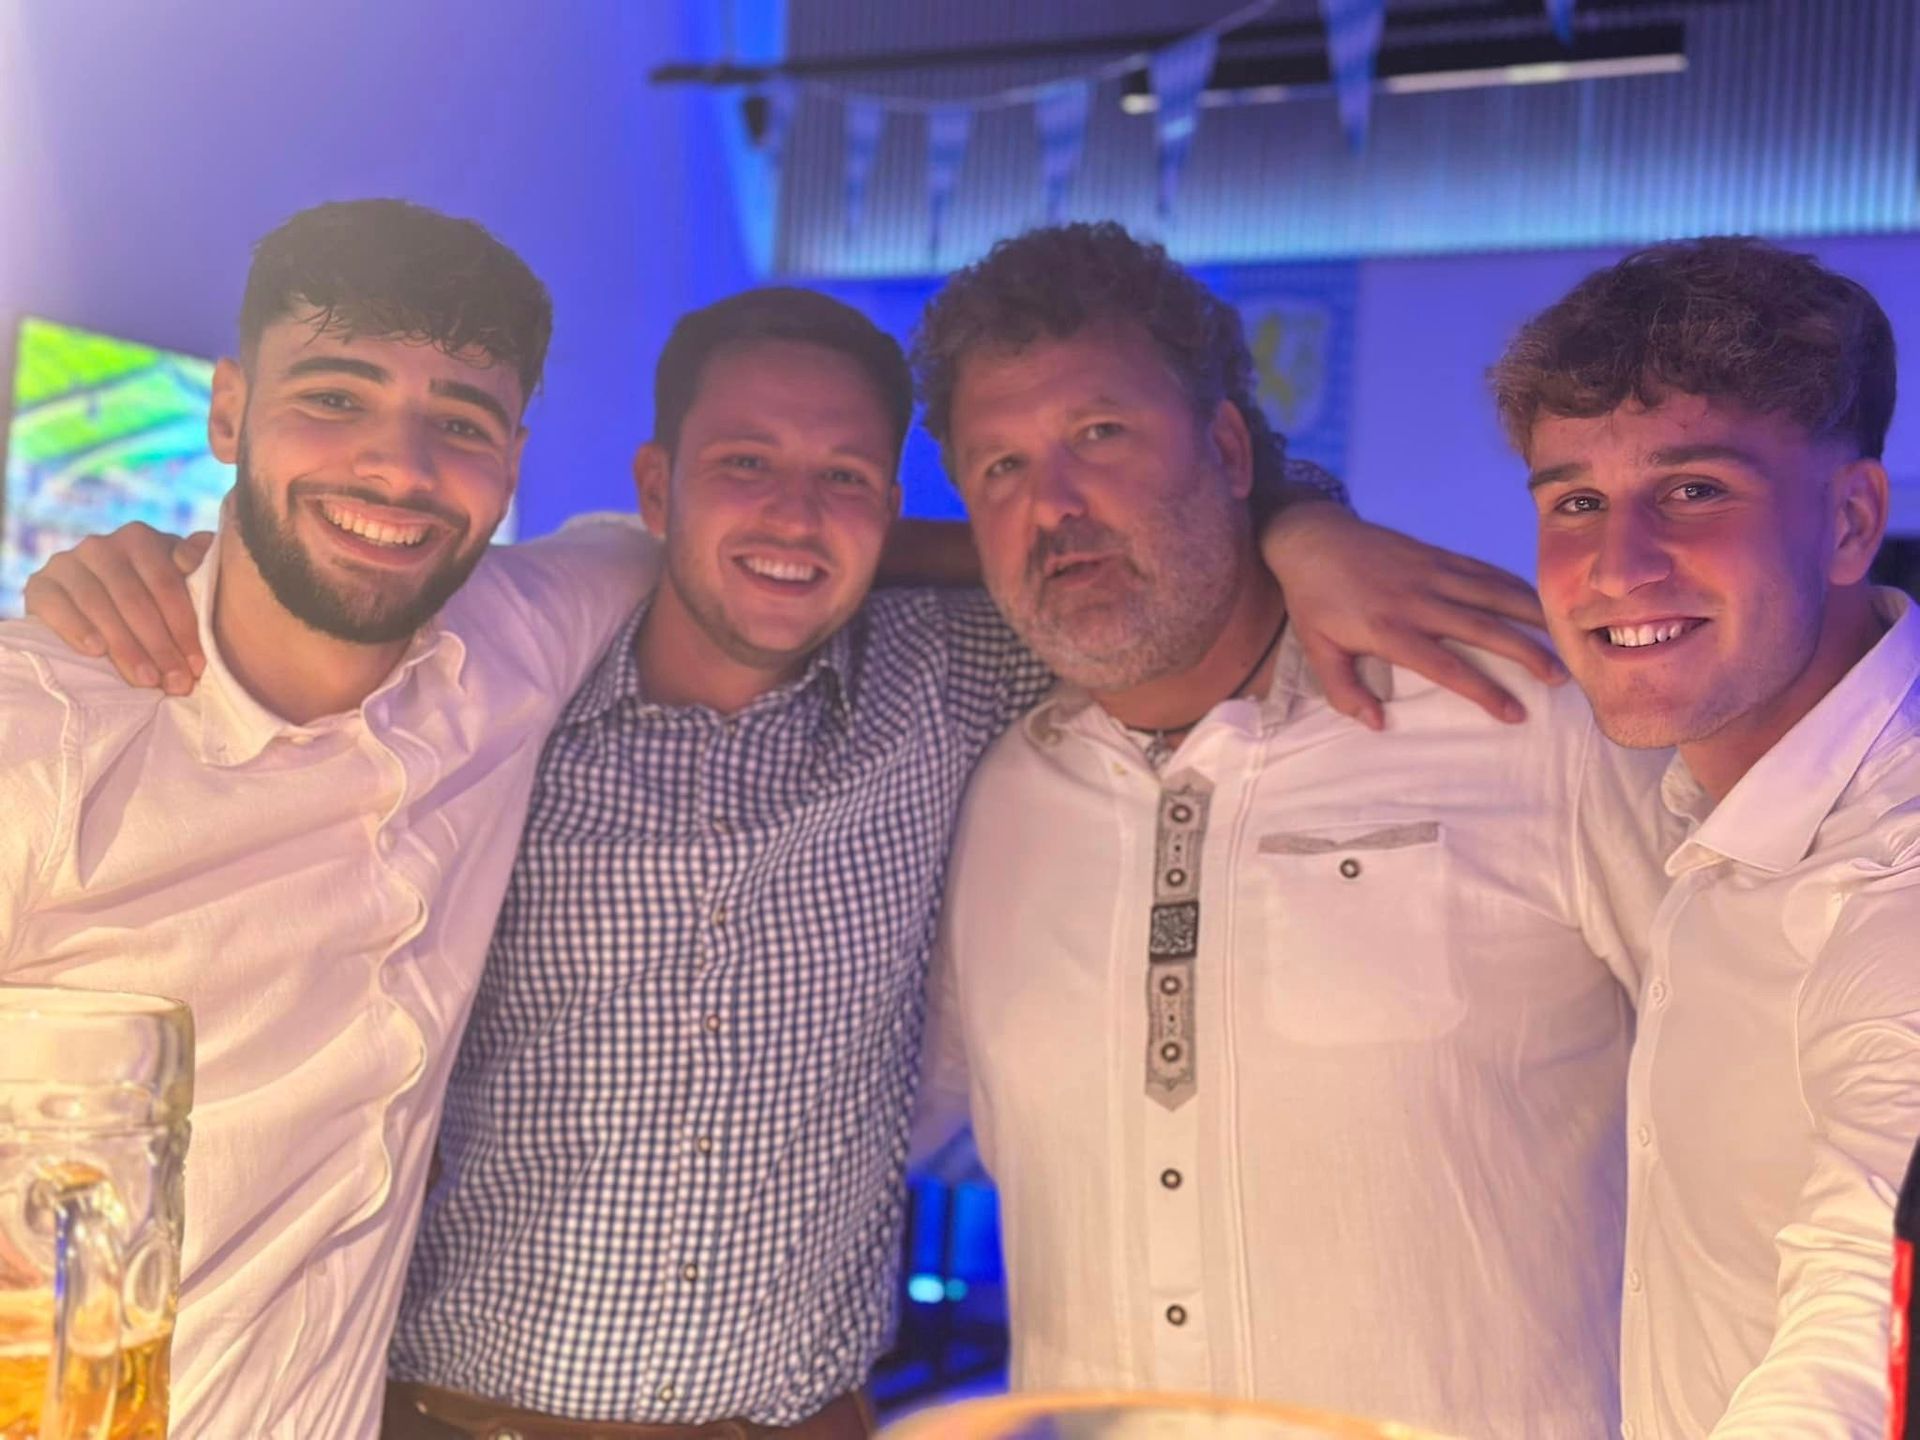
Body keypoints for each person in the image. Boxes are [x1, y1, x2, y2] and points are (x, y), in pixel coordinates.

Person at [30, 286, 1565, 1438]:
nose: (793, 515)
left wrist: (1299, 523)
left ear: (893, 504)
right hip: (454, 1416)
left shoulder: (960, 679)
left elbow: (1134, 572)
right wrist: (156, 564)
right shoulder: (499, 692)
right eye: (745, 464)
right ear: (655, 490)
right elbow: (317, 615)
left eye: (845, 477)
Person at [909, 221, 1679, 1439]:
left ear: (1227, 449)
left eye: (1100, 435)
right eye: (1000, 467)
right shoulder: (999, 797)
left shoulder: (1530, 718)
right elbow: (874, 1127)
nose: (1053, 506)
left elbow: (1773, 1093)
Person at [0, 199, 661, 1436]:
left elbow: (716, 543)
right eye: (336, 397)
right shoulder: (37, 732)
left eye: (459, 423)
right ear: (229, 412)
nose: (400, 468)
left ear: (513, 460)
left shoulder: (516, 641)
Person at [1497, 236, 1920, 1439]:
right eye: (1576, 502)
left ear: (1850, 521)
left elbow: (1865, 1316)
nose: (1617, 568)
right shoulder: (1704, 795)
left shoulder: (1894, 872)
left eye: (1693, 491)